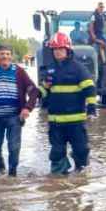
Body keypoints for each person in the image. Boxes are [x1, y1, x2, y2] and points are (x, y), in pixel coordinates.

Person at [0, 45, 40, 176]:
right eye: (2, 54)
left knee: (14, 147)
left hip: (15, 117)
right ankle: (0, 171)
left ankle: (12, 175)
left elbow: (33, 91)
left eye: (8, 54)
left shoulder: (19, 72)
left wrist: (27, 108)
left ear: (11, 56)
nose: (5, 56)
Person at [38, 32, 97, 174]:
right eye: (55, 49)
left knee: (81, 151)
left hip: (75, 122)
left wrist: (91, 109)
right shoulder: (50, 69)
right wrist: (38, 92)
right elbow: (44, 91)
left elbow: (90, 88)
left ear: (67, 49)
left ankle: (81, 174)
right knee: (57, 153)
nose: (57, 52)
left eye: (60, 48)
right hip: (56, 122)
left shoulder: (78, 68)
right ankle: (58, 180)